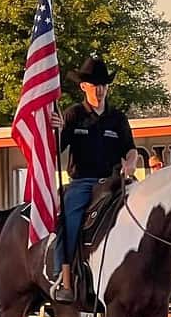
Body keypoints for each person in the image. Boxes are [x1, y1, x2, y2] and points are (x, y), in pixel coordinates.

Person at [50, 56, 138, 303]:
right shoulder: (73, 115)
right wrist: (54, 131)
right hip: (83, 182)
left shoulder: (117, 118)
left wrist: (130, 164)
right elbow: (56, 149)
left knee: (147, 208)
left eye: (103, 84)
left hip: (113, 181)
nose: (99, 89)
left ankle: (161, 273)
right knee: (69, 219)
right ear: (83, 87)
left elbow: (130, 149)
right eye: (93, 84)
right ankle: (62, 275)